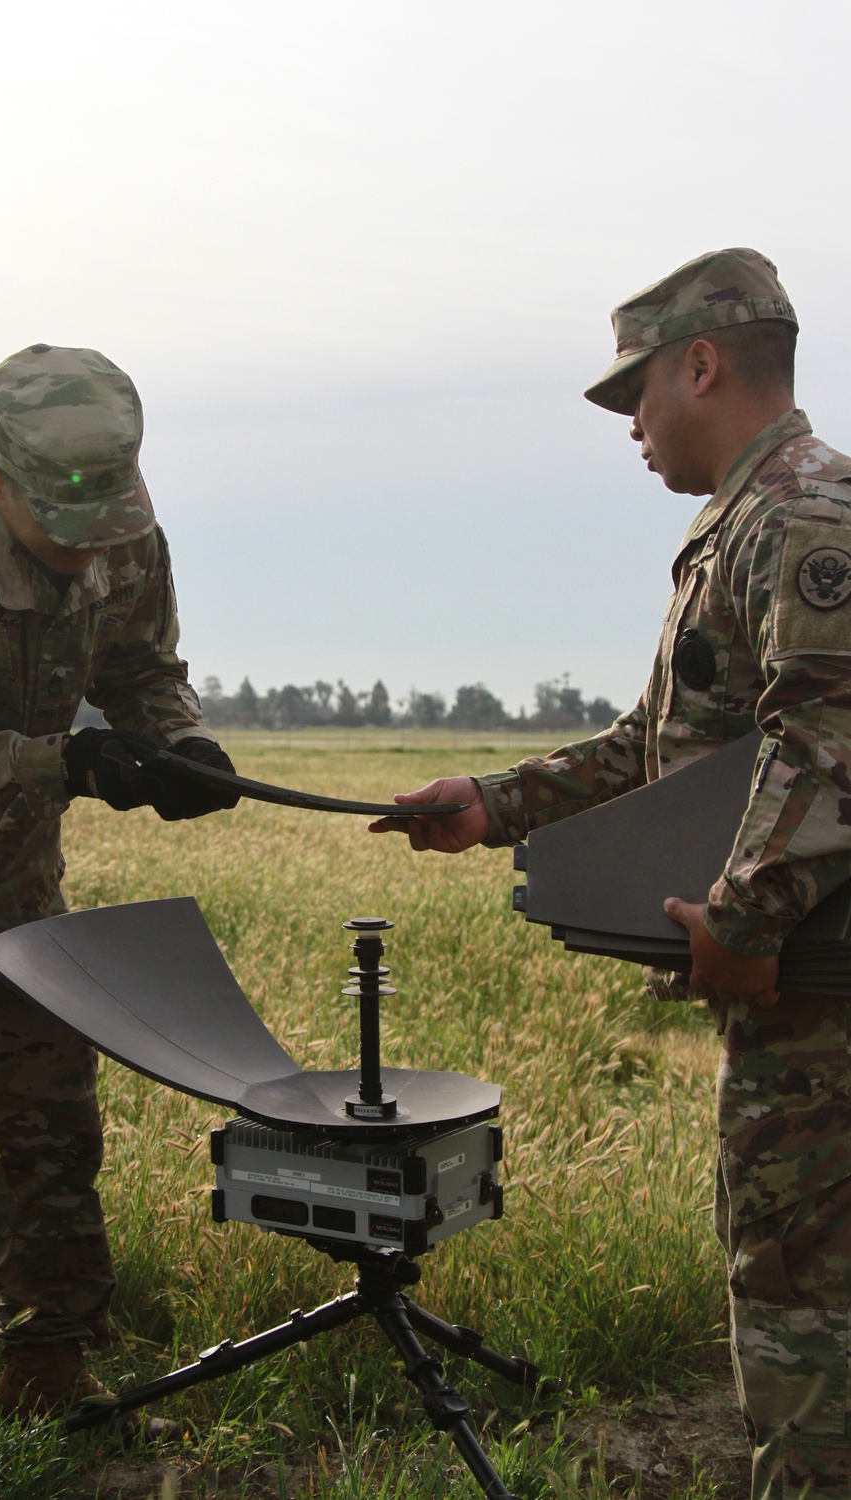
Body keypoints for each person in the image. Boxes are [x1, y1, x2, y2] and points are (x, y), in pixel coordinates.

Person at [371, 248, 851, 1500]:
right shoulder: (739, 527)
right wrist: (492, 803)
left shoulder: (804, 519)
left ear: (703, 364)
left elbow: (832, 738)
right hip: (797, 990)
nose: (630, 424)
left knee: (804, 1310)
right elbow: (658, 744)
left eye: (636, 390)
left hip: (824, 1000)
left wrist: (744, 919)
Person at [0, 344, 238, 1498]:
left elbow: (142, 669)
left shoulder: (126, 538)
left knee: (52, 1118)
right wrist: (65, 763)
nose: (86, 549)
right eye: (58, 524)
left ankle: (49, 1365)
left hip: (14, 886)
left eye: (104, 522)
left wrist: (177, 741)